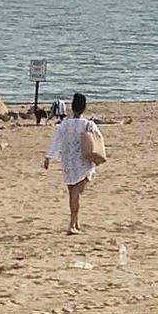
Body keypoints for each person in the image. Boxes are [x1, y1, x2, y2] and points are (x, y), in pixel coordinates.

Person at [43, 92, 102, 234]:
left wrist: (48, 157)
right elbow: (98, 139)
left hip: (68, 162)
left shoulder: (64, 124)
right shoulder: (88, 124)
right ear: (84, 108)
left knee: (73, 193)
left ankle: (75, 222)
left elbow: (56, 141)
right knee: (76, 194)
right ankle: (71, 224)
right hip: (82, 162)